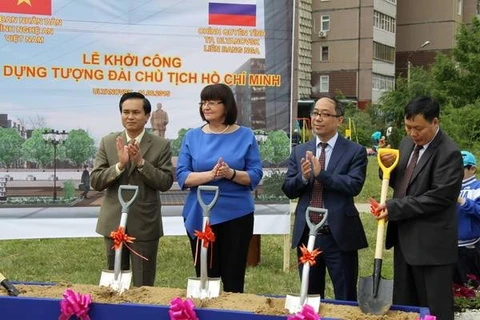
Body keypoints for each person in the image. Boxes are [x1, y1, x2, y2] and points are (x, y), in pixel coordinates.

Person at [375, 96, 464, 320]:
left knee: (435, 309)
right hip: (404, 241)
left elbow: (439, 198)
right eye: (408, 127)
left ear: (435, 122)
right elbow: (403, 182)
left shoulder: (449, 153)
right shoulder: (407, 144)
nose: (413, 133)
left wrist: (395, 208)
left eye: (418, 128)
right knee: (406, 307)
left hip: (432, 248)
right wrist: (385, 167)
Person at [176, 83, 263, 293]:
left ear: (227, 106)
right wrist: (210, 175)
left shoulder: (245, 135)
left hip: (237, 215)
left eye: (213, 102)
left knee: (233, 278)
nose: (207, 106)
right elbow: (182, 176)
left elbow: (255, 174)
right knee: (206, 277)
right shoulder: (192, 136)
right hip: (202, 214)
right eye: (204, 102)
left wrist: (230, 174)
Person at [282, 97, 368, 301]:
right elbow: (288, 189)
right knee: (309, 294)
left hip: (338, 235)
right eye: (315, 113)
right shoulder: (300, 151)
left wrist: (322, 175)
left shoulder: (355, 151)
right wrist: (303, 177)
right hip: (307, 234)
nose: (317, 118)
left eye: (325, 114)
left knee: (345, 295)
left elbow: (353, 186)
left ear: (339, 120)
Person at [91, 92, 174, 287]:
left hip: (144, 222)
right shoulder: (108, 142)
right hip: (113, 221)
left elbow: (165, 182)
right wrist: (119, 165)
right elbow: (95, 181)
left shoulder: (161, 145)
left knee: (143, 283)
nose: (130, 116)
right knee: (114, 281)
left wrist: (141, 163)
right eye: (125, 112)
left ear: (147, 116)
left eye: (136, 112)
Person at [454, 151, 480, 286]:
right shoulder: (449, 186)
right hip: (449, 246)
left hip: (470, 246)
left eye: (460, 169)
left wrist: (463, 202)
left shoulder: (478, 188)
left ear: (472, 169)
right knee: (454, 287)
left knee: (472, 286)